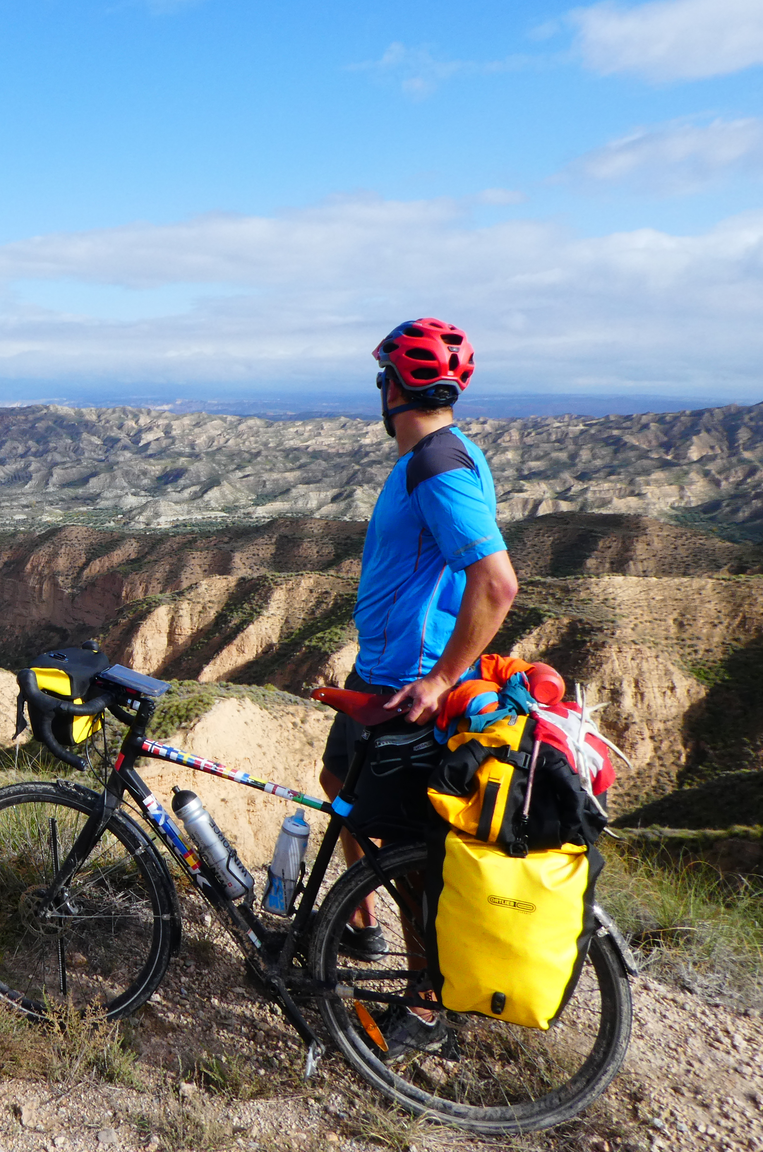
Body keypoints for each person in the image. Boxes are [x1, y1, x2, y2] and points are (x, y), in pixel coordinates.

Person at [319, 317, 519, 1058]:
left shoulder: (438, 465)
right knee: (336, 780)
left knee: (402, 844)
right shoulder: (436, 454)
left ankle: (426, 1007)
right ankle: (360, 926)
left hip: (409, 684)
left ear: (396, 386)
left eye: (383, 381)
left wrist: (439, 680)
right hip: (383, 672)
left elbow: (497, 585)